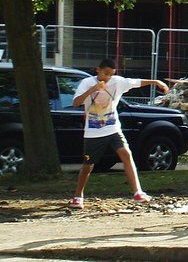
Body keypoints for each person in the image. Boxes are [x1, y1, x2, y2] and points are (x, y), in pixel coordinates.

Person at [69, 58, 169, 210]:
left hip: (113, 128)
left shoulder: (117, 82)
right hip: (93, 132)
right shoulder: (87, 83)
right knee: (88, 165)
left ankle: (138, 192)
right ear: (98, 70)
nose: (107, 77)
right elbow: (76, 102)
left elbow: (136, 82)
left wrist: (156, 82)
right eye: (105, 73)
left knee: (125, 154)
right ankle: (78, 196)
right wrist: (92, 90)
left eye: (111, 74)